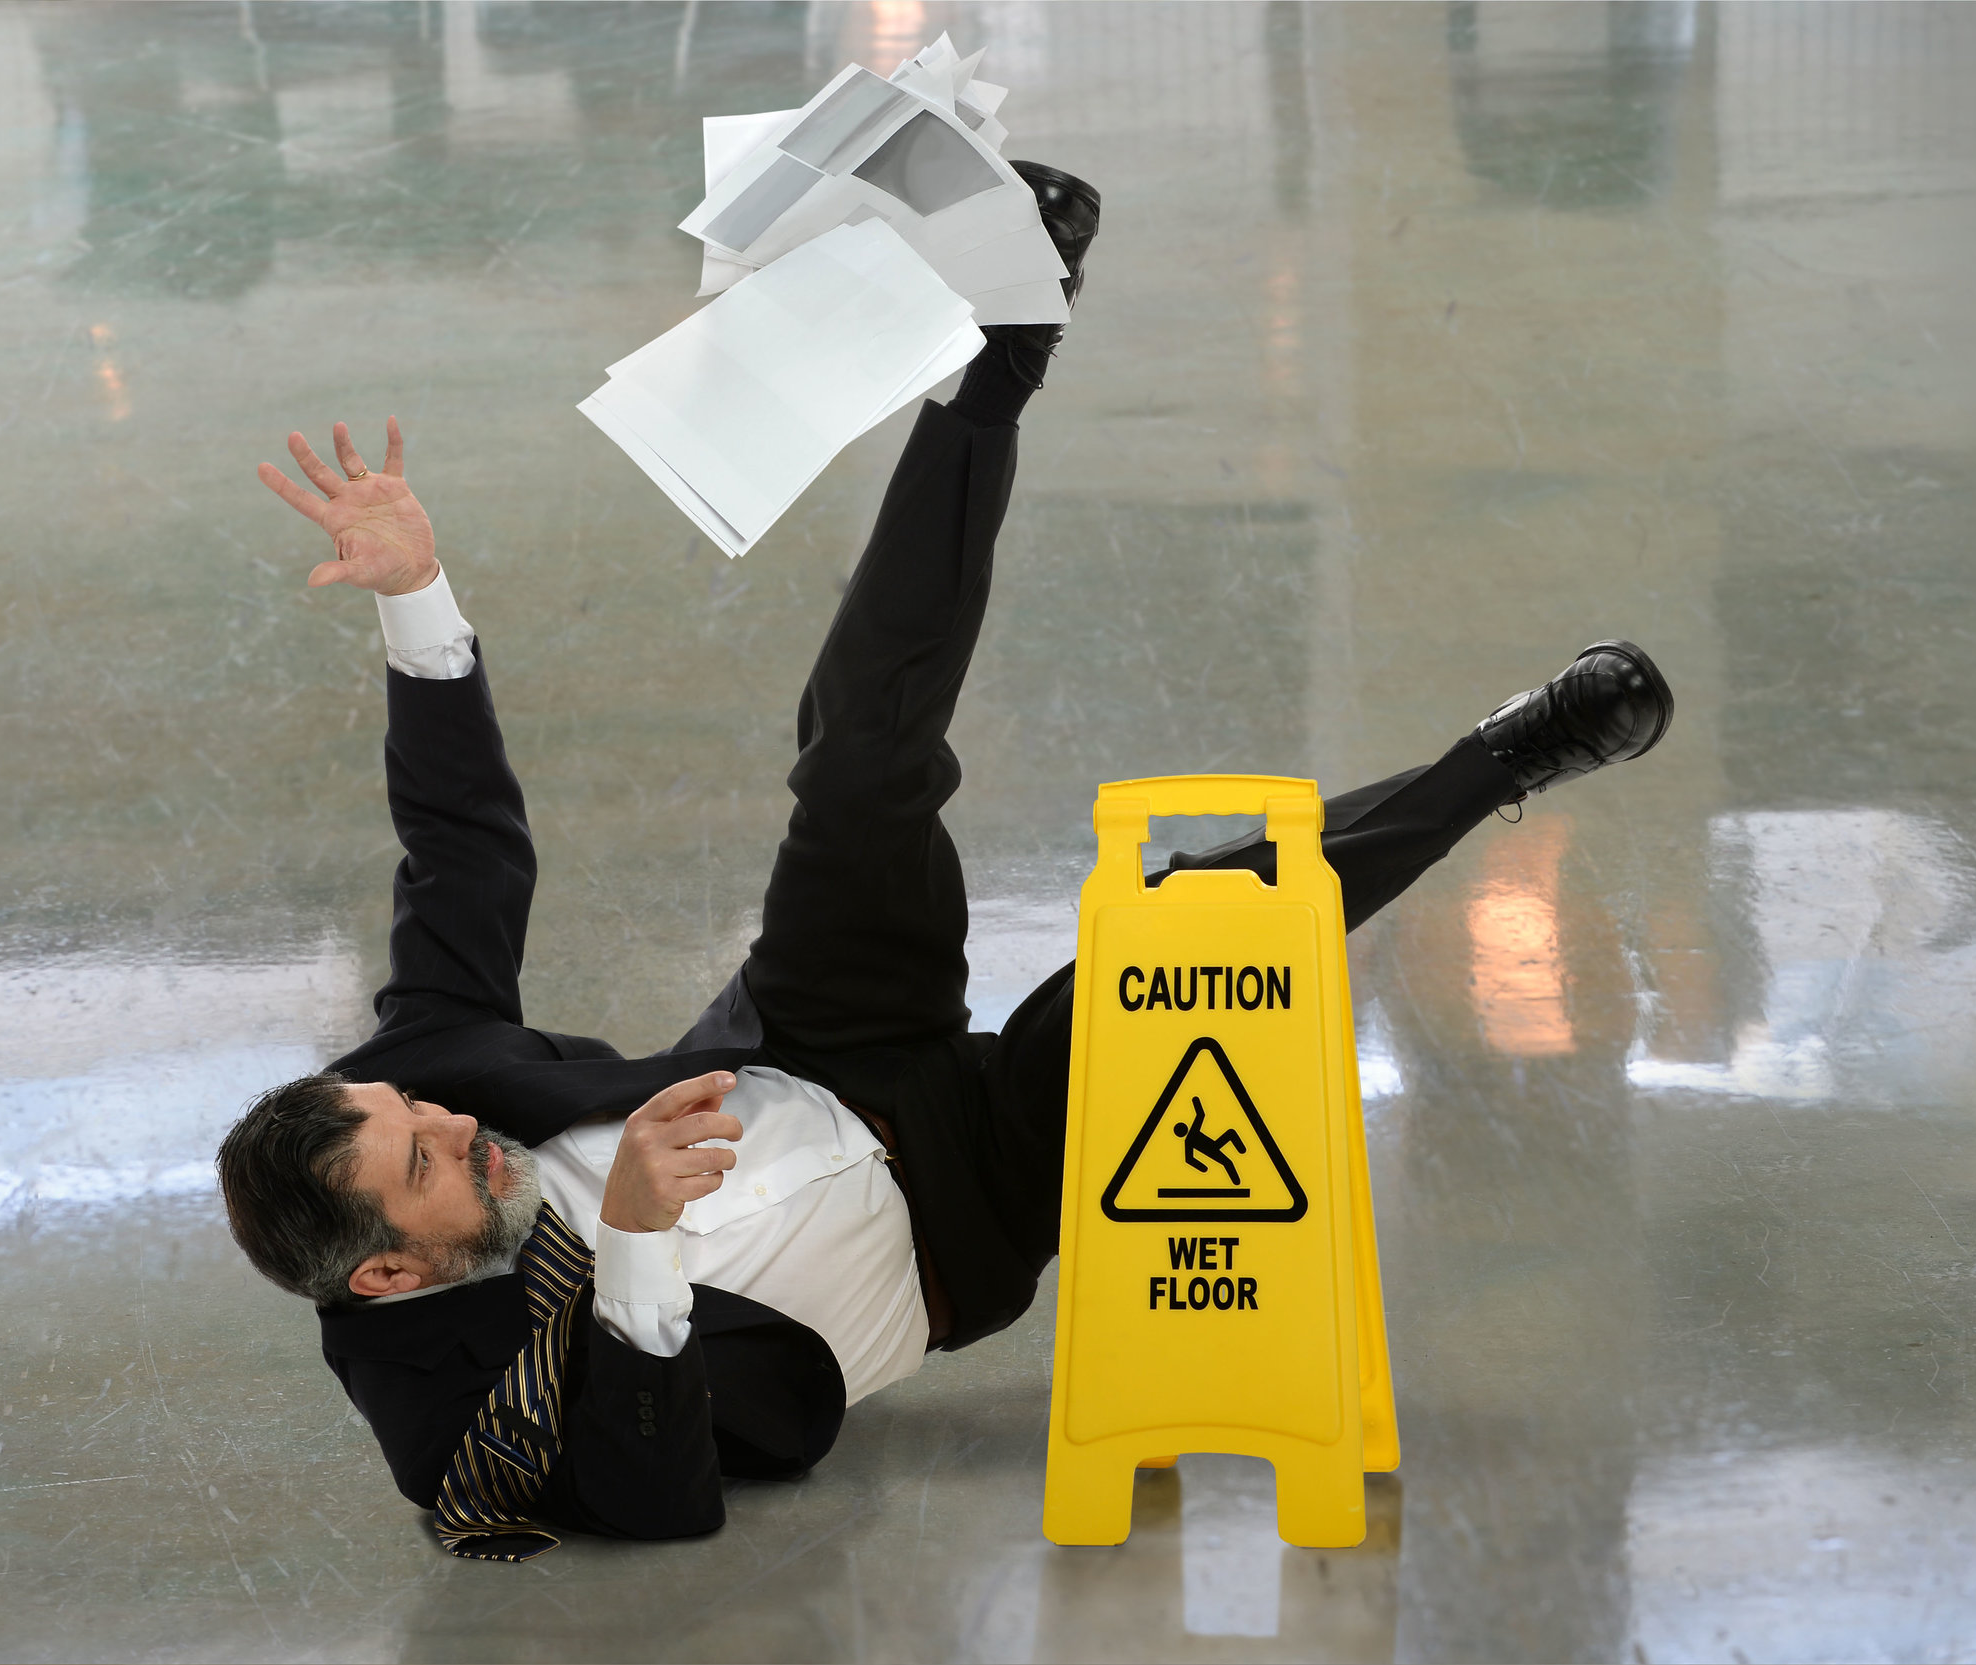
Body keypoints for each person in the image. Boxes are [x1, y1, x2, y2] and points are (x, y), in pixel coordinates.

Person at [216, 164, 1673, 1560]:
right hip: (957, 1212)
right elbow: (662, 1495)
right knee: (1182, 953)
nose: (455, 1119)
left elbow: (462, 850)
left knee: (858, 758)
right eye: (425, 1157)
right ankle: (1500, 760)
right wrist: (643, 1244)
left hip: (812, 1045)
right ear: (388, 1270)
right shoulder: (444, 1423)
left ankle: (1000, 352)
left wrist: (417, 600)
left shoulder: (430, 1085)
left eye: (415, 1103)